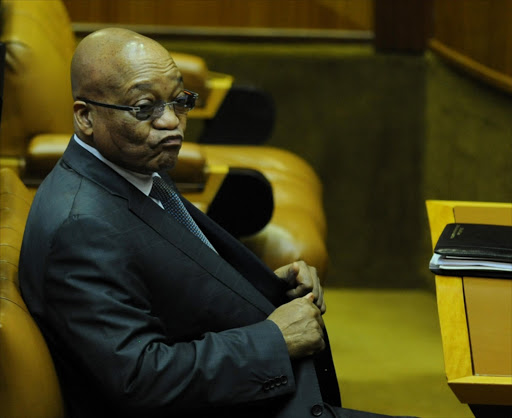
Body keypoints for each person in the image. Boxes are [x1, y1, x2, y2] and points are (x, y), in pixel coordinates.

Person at [19, 28, 412, 418]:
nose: (171, 122)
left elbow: (167, 276)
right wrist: (275, 340)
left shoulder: (130, 166)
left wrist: (268, 288)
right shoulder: (81, 227)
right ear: (86, 117)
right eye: (144, 107)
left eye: (179, 101)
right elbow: (139, 378)